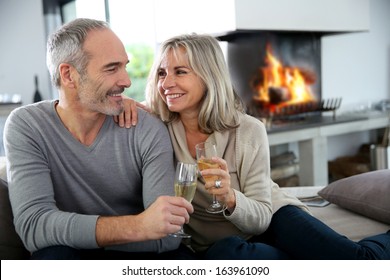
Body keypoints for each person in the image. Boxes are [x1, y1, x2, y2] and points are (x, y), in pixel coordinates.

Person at [117, 33, 390, 260]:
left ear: (208, 76)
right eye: (162, 73)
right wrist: (125, 103)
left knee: (359, 262)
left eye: (180, 72)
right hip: (220, 246)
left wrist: (229, 198)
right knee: (225, 253)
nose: (166, 83)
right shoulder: (156, 126)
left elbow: (261, 216)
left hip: (272, 217)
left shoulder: (248, 130)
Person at [3, 18, 194, 260]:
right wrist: (138, 226)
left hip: (138, 257)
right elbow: (35, 226)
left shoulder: (146, 128)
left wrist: (80, 237)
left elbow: (167, 233)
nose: (126, 81)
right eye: (111, 68)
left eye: (125, 66)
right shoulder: (28, 126)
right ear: (69, 74)